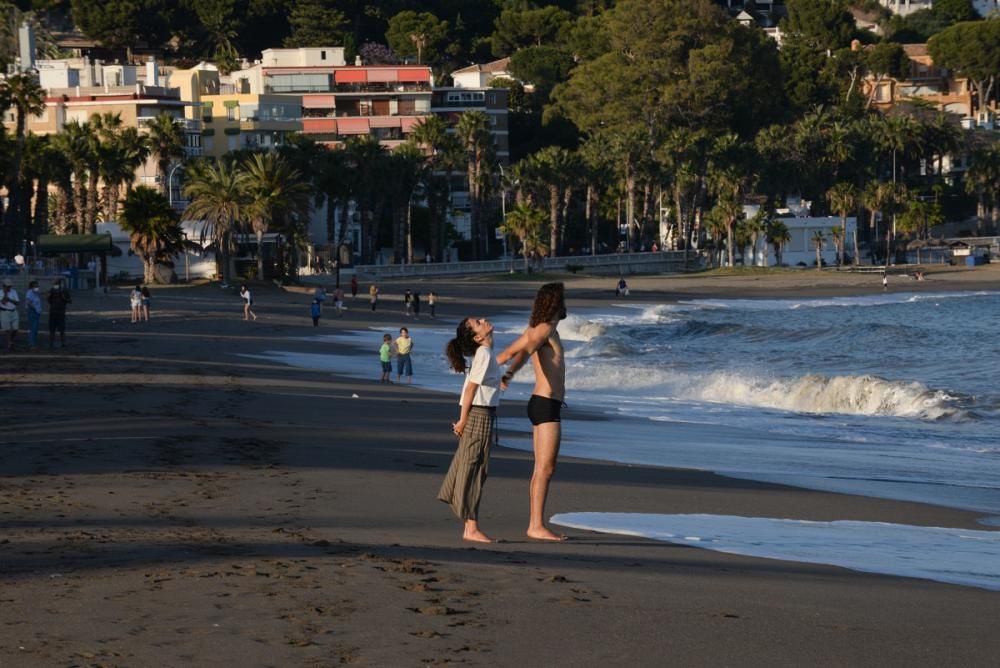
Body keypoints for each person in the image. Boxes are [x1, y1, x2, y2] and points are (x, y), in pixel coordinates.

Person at [497, 282, 568, 541]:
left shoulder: (536, 327)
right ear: (555, 302)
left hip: (541, 403)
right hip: (546, 405)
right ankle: (536, 525)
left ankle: (535, 523)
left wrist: (486, 373)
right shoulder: (545, 329)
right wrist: (509, 374)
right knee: (546, 468)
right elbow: (524, 352)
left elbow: (505, 352)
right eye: (562, 298)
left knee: (541, 468)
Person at [438, 316, 502, 543]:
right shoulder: (483, 354)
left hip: (481, 413)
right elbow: (471, 389)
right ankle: (471, 527)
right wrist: (463, 420)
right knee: (475, 469)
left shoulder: (485, 352)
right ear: (477, 336)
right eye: (478, 322)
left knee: (473, 467)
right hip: (478, 415)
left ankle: (470, 525)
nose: (484, 320)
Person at [47, 278, 71, 349]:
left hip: (60, 312)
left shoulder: (64, 291)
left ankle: (63, 343)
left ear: (59, 284)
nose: (55, 285)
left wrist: (64, 298)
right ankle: (51, 343)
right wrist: (48, 297)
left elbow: (70, 300)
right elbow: (49, 301)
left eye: (56, 283)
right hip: (53, 312)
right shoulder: (51, 290)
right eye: (55, 284)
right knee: (52, 330)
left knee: (62, 329)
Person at [1, 279, 19, 352]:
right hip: (4, 312)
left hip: (14, 311)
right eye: (7, 286)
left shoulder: (14, 292)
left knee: (15, 329)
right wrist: (5, 294)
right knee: (7, 330)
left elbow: (17, 302)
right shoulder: (0, 293)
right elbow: (3, 302)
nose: (9, 288)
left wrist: (9, 299)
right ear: (4, 286)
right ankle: (10, 344)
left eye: (10, 286)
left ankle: (10, 342)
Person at [25, 280, 42, 351]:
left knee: (35, 329)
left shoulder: (36, 293)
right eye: (36, 286)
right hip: (33, 312)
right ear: (32, 286)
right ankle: (32, 345)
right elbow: (28, 302)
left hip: (36, 312)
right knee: (33, 329)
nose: (37, 287)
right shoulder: (30, 292)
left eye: (38, 286)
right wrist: (34, 308)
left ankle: (32, 344)